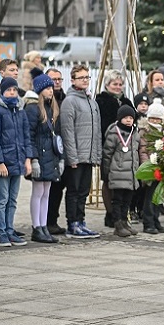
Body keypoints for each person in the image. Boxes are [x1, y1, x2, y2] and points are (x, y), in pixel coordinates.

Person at [0, 77, 32, 247]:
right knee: (2, 198)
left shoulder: (20, 111)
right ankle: (1, 231)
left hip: (18, 162)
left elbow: (26, 137)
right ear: (2, 92)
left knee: (13, 200)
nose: (12, 93)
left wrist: (28, 159)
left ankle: (10, 230)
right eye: (8, 90)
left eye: (14, 90)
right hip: (4, 163)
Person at [59, 64, 102, 239]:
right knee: (74, 190)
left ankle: (81, 221)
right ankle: (72, 223)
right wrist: (72, 157)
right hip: (76, 156)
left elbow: (97, 130)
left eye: (87, 77)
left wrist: (96, 154)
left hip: (89, 155)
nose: (85, 80)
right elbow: (67, 131)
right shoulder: (70, 101)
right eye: (81, 77)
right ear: (73, 80)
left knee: (84, 190)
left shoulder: (92, 101)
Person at [26, 73, 62, 243]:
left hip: (50, 154)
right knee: (38, 191)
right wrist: (33, 159)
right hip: (40, 155)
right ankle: (36, 227)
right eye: (47, 88)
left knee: (46, 192)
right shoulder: (33, 109)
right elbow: (30, 135)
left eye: (51, 88)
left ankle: (44, 225)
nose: (50, 91)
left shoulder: (50, 107)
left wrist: (60, 158)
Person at [95, 69, 133, 228]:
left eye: (120, 84)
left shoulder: (126, 102)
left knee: (123, 182)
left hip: (126, 148)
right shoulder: (101, 101)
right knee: (108, 180)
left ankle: (122, 215)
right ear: (107, 85)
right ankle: (110, 214)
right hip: (109, 145)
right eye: (114, 84)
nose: (118, 87)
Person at [101, 104, 141, 238]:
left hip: (130, 174)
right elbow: (107, 153)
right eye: (125, 118)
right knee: (117, 200)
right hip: (117, 173)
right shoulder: (114, 132)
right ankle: (117, 223)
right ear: (119, 118)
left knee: (127, 201)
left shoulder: (135, 133)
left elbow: (136, 154)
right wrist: (105, 172)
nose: (129, 120)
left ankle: (125, 221)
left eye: (131, 118)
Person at [44, 67, 68, 235]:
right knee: (48, 189)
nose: (57, 82)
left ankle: (53, 219)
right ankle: (44, 221)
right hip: (48, 150)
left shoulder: (66, 99)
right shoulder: (44, 100)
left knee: (59, 187)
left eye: (59, 79)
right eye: (54, 79)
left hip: (63, 149)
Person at [138, 99, 164, 234]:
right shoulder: (145, 131)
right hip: (150, 167)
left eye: (157, 119)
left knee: (158, 197)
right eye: (152, 118)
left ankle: (156, 220)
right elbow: (143, 150)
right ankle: (148, 222)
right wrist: (147, 166)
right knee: (149, 197)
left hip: (161, 167)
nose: (155, 121)